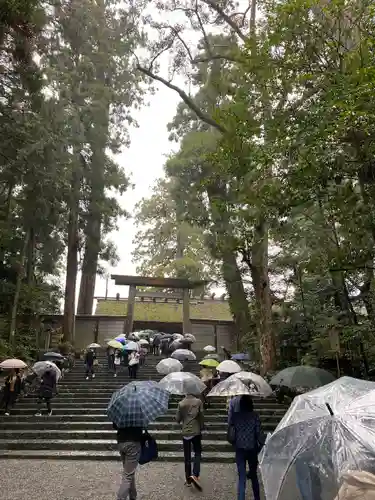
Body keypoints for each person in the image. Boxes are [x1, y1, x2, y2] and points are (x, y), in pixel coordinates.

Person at [228, 395, 262, 500]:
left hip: (240, 448)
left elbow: (231, 428)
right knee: (253, 475)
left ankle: (241, 498)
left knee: (241, 477)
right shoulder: (255, 416)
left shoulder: (236, 416)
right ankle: (257, 498)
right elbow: (258, 433)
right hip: (252, 448)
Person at [176, 392, 204, 491]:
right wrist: (202, 427)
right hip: (196, 431)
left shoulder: (181, 403)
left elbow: (177, 419)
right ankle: (195, 474)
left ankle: (188, 479)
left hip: (186, 432)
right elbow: (201, 416)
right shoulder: (198, 402)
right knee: (197, 453)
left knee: (187, 456)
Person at [113, 421, 143, 500]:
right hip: (133, 443)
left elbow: (115, 426)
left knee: (129, 471)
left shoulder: (121, 410)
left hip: (121, 442)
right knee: (128, 475)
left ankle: (133, 495)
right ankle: (121, 498)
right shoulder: (138, 411)